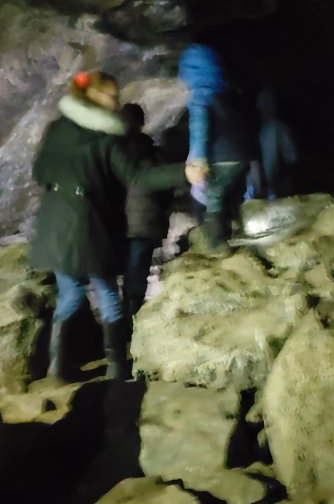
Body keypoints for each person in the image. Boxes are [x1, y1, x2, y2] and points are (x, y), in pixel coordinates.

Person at [30, 70, 186, 382]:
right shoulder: (107, 137)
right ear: (90, 96)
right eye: (110, 96)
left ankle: (57, 367)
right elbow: (138, 178)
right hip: (87, 224)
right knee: (106, 291)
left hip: (54, 223)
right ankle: (116, 366)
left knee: (71, 293)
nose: (114, 102)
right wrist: (184, 172)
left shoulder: (58, 129)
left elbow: (40, 173)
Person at [177, 44, 255, 251]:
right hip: (242, 154)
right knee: (234, 193)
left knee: (214, 196)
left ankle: (217, 245)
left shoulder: (200, 97)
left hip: (222, 157)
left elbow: (200, 129)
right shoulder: (227, 94)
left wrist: (198, 159)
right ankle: (244, 229)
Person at [121, 103, 171, 323]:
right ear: (141, 124)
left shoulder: (112, 151)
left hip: (118, 220)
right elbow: (166, 187)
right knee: (138, 271)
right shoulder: (153, 152)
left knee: (116, 272)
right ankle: (132, 316)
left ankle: (117, 320)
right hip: (146, 221)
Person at [252, 86, 299, 200]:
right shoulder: (264, 129)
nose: (260, 108)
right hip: (269, 187)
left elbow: (292, 159)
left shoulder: (276, 128)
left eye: (265, 104)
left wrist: (279, 183)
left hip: (277, 186)